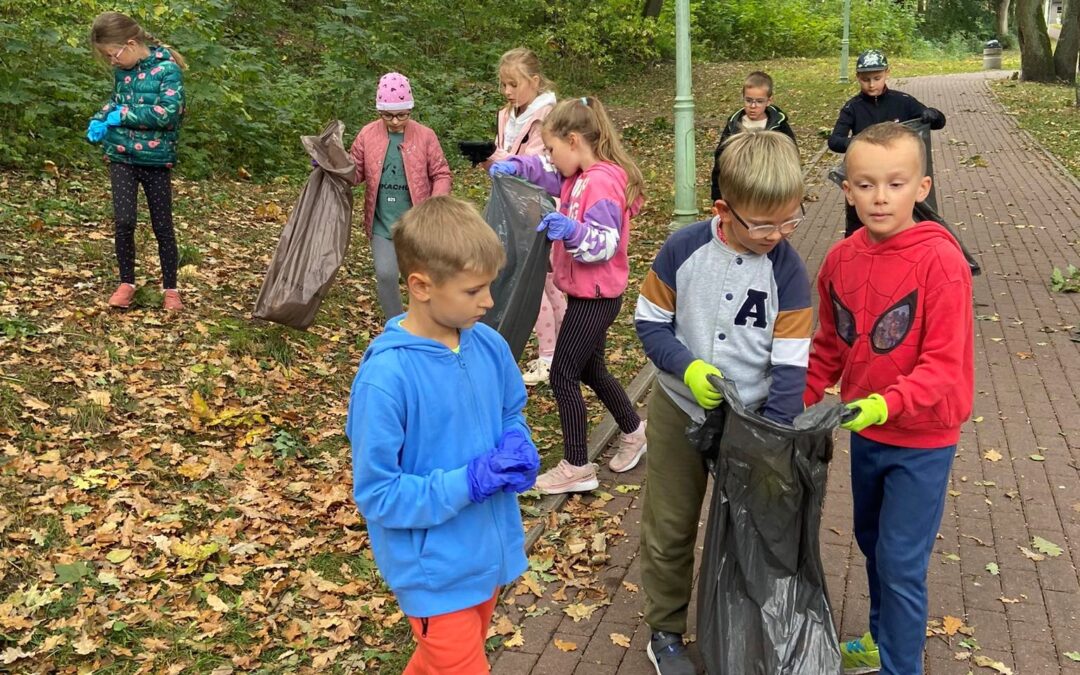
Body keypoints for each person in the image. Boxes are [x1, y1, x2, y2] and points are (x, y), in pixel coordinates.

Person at [634, 130, 812, 674]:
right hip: (679, 411)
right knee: (670, 524)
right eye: (763, 224)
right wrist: (685, 364)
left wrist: (773, 433)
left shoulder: (788, 270)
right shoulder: (683, 250)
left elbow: (790, 362)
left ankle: (742, 622)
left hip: (752, 421)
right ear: (723, 209)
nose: (776, 235)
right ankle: (665, 630)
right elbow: (649, 322)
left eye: (790, 221)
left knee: (751, 528)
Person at [804, 122, 974, 675]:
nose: (881, 197)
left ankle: (902, 667)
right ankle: (881, 641)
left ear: (922, 188)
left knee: (901, 561)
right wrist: (791, 406)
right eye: (867, 184)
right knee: (872, 540)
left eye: (896, 184)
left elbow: (944, 367)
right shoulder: (839, 261)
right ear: (847, 189)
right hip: (867, 432)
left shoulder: (941, 262)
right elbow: (831, 346)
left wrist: (884, 404)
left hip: (923, 438)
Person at [347, 196, 540, 674]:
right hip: (433, 573)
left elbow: (511, 410)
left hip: (486, 556)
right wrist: (467, 482)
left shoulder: (488, 343)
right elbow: (378, 494)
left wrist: (517, 441)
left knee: (441, 662)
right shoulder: (386, 379)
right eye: (474, 290)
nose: (490, 302)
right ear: (421, 286)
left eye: (490, 286)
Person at [490, 96, 647, 492]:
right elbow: (543, 170)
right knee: (592, 370)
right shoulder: (577, 176)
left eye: (554, 148)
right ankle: (634, 430)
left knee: (562, 375)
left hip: (596, 297)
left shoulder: (601, 183)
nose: (551, 157)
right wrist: (514, 165)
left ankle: (578, 466)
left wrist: (572, 231)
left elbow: (606, 243)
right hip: (587, 293)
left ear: (574, 140)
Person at [87, 11, 187, 311]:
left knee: (162, 226)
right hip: (121, 157)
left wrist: (123, 116)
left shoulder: (168, 70)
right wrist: (101, 118)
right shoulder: (122, 73)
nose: (112, 62)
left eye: (113, 55)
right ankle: (126, 282)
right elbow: (116, 103)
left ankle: (171, 288)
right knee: (124, 221)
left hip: (155, 160)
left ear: (130, 43)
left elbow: (169, 114)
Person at [485, 47, 566, 387]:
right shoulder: (507, 114)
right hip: (511, 201)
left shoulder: (549, 114)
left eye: (513, 84)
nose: (507, 91)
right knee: (534, 277)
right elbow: (505, 148)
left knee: (538, 279)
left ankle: (552, 354)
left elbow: (541, 161)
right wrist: (489, 158)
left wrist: (503, 157)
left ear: (534, 81)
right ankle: (559, 351)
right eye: (503, 84)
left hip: (540, 202)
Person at [349, 72, 452, 319]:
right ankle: (395, 325)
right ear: (379, 112)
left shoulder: (425, 136)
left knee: (419, 277)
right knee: (385, 274)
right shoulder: (367, 135)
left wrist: (436, 203)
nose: (395, 122)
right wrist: (329, 164)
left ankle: (426, 322)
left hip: (416, 223)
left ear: (410, 109)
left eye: (402, 115)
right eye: (388, 115)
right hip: (382, 222)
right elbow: (354, 173)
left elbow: (441, 173)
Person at [828, 49, 947, 237]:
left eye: (877, 78)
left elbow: (938, 123)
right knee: (857, 228)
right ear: (858, 77)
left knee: (904, 220)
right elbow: (835, 141)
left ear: (887, 73)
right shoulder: (853, 107)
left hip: (896, 174)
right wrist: (863, 145)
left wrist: (933, 114)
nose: (872, 84)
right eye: (866, 79)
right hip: (864, 176)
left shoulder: (903, 102)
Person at [709, 71, 797, 202]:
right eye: (748, 100)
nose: (753, 106)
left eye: (759, 101)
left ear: (769, 101)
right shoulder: (734, 125)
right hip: (738, 191)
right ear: (743, 97)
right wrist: (717, 196)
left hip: (768, 192)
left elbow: (791, 159)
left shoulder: (779, 126)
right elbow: (720, 161)